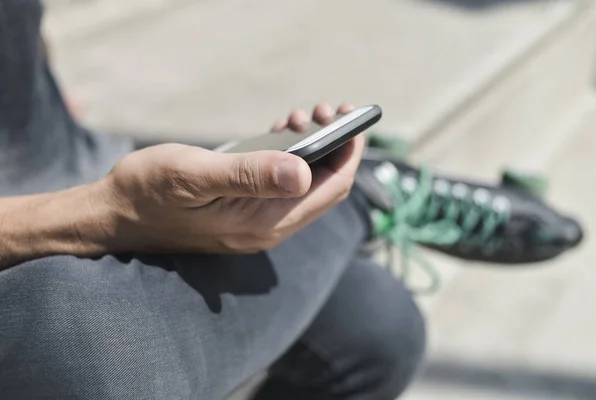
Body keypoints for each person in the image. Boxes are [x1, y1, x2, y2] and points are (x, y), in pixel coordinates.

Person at [0, 1, 426, 399]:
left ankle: (365, 202)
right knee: (87, 346)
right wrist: (106, 212)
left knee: (375, 321)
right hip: (42, 236)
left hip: (70, 168)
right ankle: (369, 199)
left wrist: (42, 91)